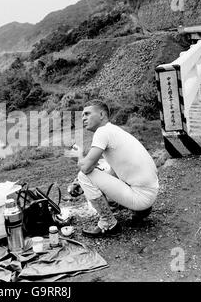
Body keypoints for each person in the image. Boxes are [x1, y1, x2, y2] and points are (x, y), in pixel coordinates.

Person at [65, 99, 159, 237]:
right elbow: (113, 171)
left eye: (87, 114)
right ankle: (140, 211)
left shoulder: (102, 132)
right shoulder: (114, 130)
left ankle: (108, 223)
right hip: (150, 192)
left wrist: (77, 155)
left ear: (102, 114)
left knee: (83, 176)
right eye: (82, 116)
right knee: (103, 170)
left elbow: (86, 169)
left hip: (141, 197)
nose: (83, 118)